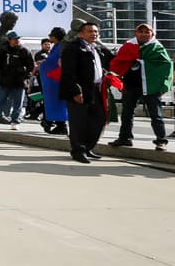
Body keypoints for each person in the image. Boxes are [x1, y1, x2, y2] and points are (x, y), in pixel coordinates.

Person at [108, 23, 172, 151]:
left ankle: (161, 140)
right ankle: (125, 138)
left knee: (156, 114)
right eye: (140, 32)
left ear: (152, 34)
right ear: (135, 33)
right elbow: (119, 61)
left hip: (150, 86)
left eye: (146, 32)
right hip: (131, 85)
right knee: (127, 113)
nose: (143, 34)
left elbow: (166, 66)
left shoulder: (157, 47)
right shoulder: (128, 46)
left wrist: (163, 85)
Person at [59, 20, 115, 164]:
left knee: (99, 118)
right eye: (90, 31)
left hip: (96, 89)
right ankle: (78, 150)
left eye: (96, 32)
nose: (94, 34)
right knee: (79, 122)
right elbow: (68, 72)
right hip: (79, 90)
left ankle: (88, 147)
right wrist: (76, 91)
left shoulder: (97, 48)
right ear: (81, 34)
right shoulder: (73, 48)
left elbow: (110, 62)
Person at [0, 31, 34, 130]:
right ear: (9, 40)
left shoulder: (25, 51)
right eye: (14, 39)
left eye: (18, 39)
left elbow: (30, 66)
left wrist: (25, 77)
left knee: (18, 103)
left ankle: (15, 121)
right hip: (4, 81)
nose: (17, 41)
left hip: (19, 82)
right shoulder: (3, 50)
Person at [39, 27, 70, 135]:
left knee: (57, 102)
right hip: (56, 80)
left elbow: (52, 63)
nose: (49, 37)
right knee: (57, 102)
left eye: (51, 35)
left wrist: (42, 64)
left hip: (55, 80)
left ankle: (60, 125)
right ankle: (59, 125)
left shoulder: (60, 47)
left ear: (55, 37)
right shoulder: (59, 46)